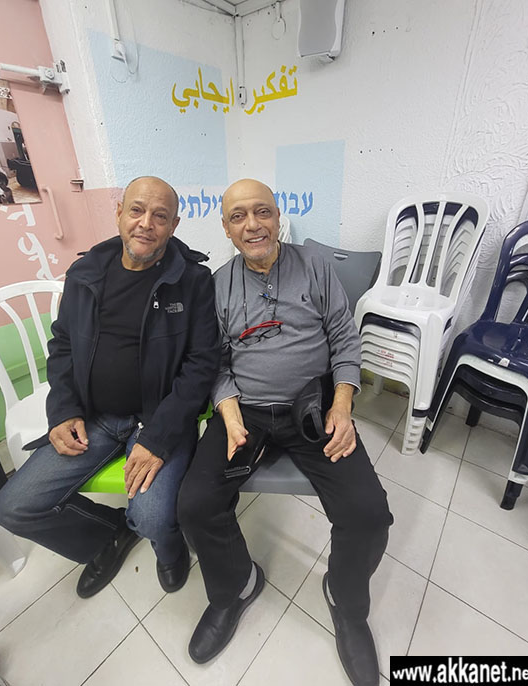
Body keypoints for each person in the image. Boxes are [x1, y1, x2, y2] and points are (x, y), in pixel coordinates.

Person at [178, 179, 393, 686]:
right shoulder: (217, 285)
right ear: (226, 228)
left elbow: (344, 337)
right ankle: (236, 587)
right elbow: (214, 362)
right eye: (238, 216)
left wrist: (343, 403)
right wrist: (228, 409)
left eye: (262, 212)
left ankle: (346, 603)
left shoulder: (314, 266)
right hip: (245, 412)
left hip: (312, 406)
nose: (252, 225)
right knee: (194, 505)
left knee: (368, 513)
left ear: (278, 218)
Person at [0, 176, 220, 598]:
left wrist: (159, 437)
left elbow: (202, 365)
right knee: (12, 508)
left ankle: (169, 549)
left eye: (160, 216)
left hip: (158, 419)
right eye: (137, 210)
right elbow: (62, 345)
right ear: (119, 213)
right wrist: (63, 410)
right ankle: (108, 535)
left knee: (152, 518)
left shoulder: (192, 281)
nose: (146, 223)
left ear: (173, 226)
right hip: (93, 417)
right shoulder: (85, 274)